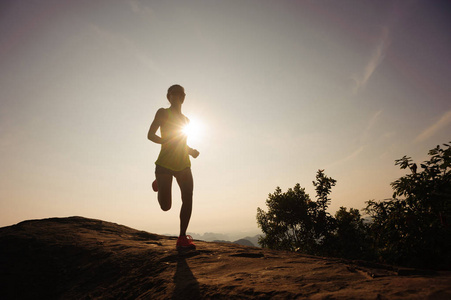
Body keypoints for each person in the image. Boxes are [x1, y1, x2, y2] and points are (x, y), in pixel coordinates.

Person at [147, 84, 200, 250]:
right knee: (166, 206)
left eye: (180, 94)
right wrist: (165, 141)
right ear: (168, 97)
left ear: (183, 98)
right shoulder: (163, 112)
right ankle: (159, 184)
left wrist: (190, 151)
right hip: (164, 164)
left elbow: (181, 142)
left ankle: (182, 237)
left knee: (188, 197)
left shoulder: (186, 120)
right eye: (173, 94)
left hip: (183, 164)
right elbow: (150, 135)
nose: (177, 97)